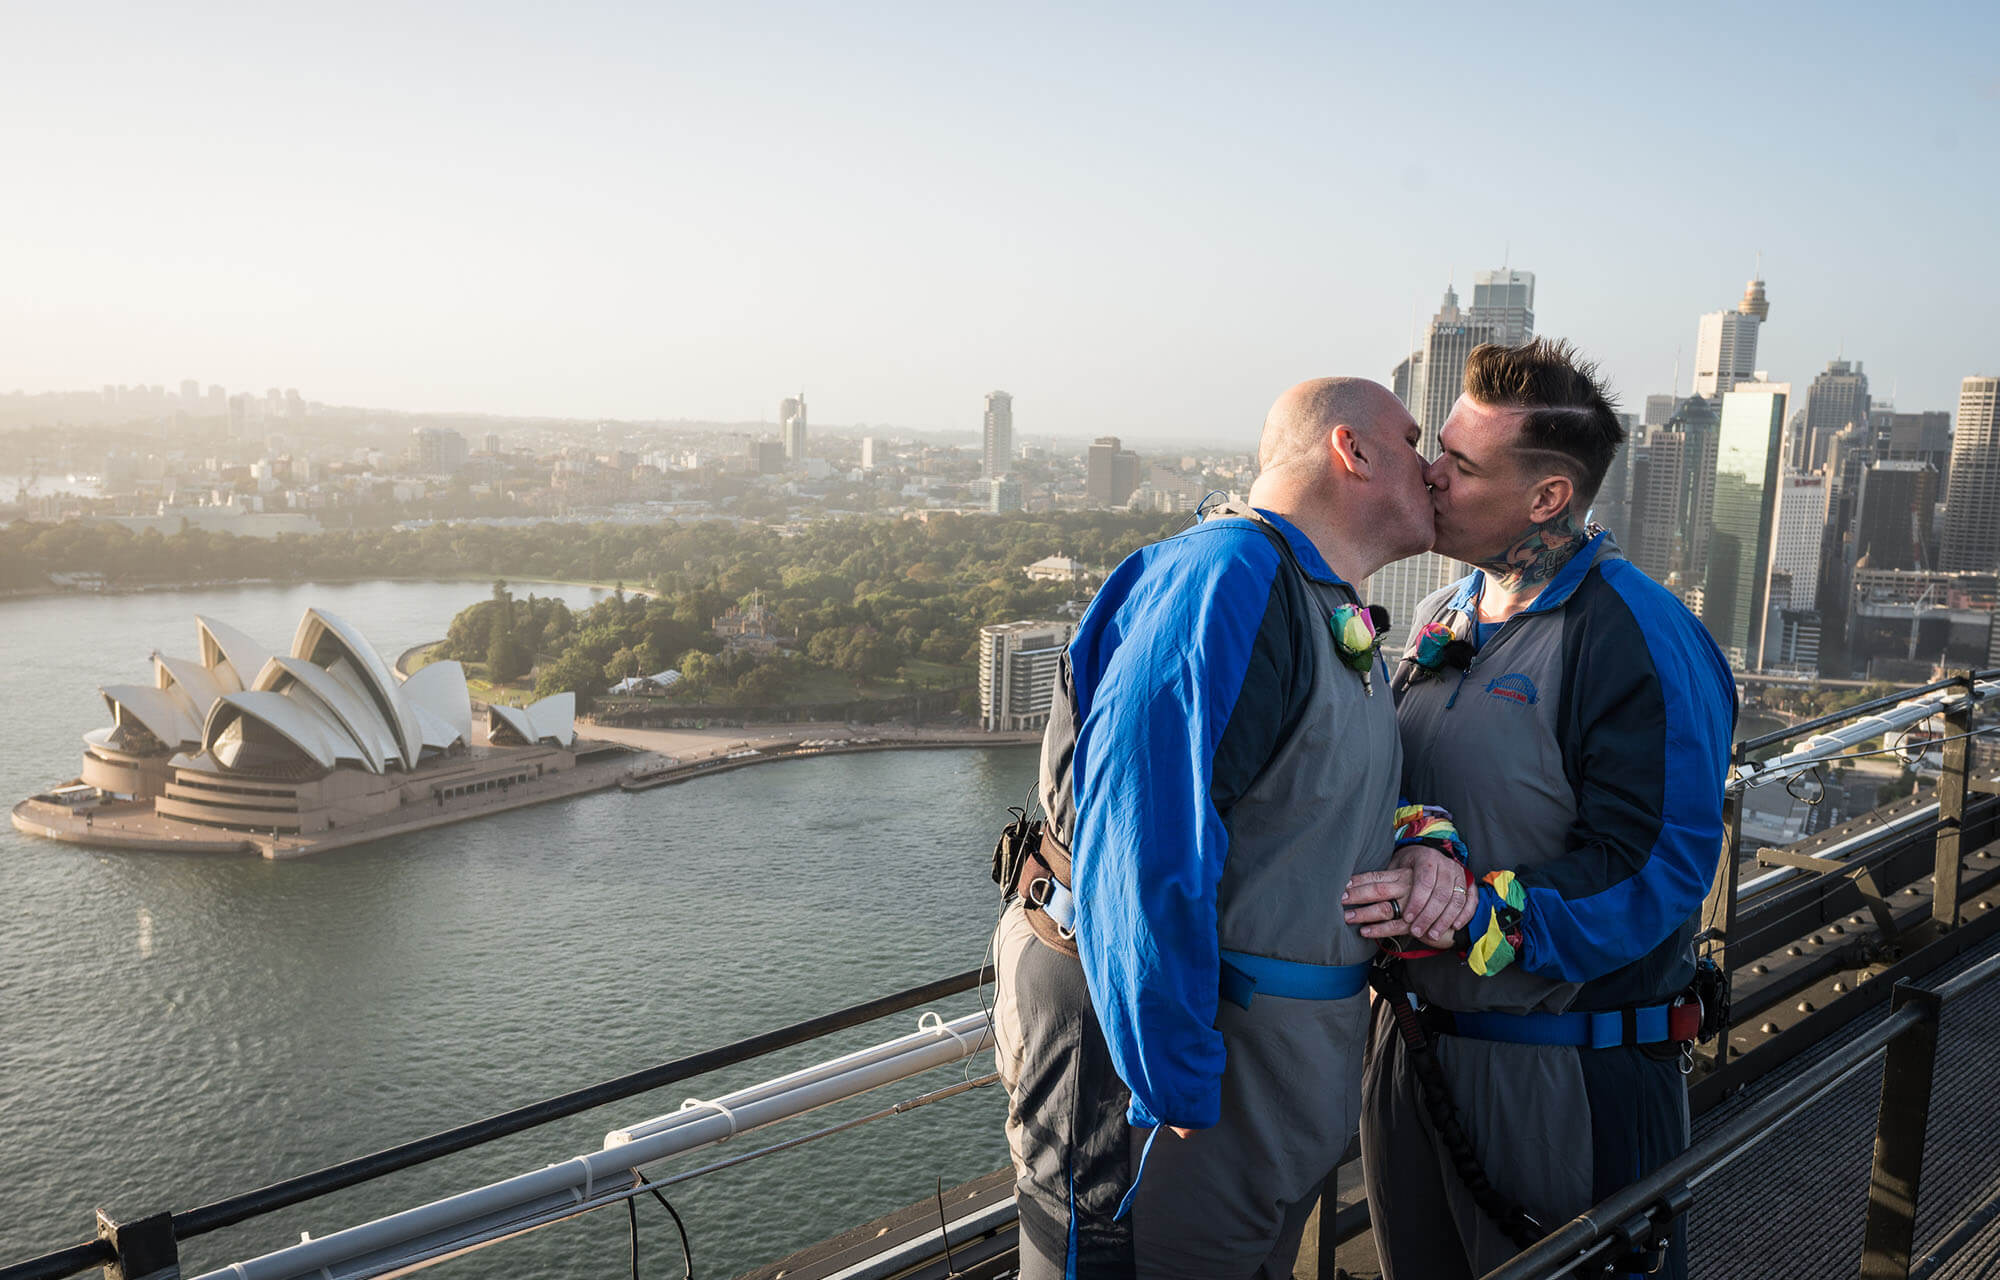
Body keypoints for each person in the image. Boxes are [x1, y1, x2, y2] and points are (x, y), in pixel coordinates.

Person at [991, 377, 1435, 1278]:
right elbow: (1142, 839)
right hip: (1165, 1113)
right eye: (1416, 440)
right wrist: (1174, 1073)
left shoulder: (1314, 603)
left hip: (1262, 1100)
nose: (1433, 468)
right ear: (1351, 450)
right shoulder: (1227, 577)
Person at [1343, 338, 1735, 1280]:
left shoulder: (1636, 637)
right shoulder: (1445, 614)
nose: (1430, 475)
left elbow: (1657, 869)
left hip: (1565, 1076)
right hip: (1413, 1056)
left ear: (1548, 498)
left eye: (1462, 464)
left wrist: (1481, 913)